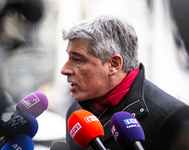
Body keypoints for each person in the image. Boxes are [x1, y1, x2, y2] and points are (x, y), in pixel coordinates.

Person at [61, 15, 189, 150]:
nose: (64, 69)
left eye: (77, 60)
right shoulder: (76, 112)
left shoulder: (174, 119)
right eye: (68, 57)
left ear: (114, 64)